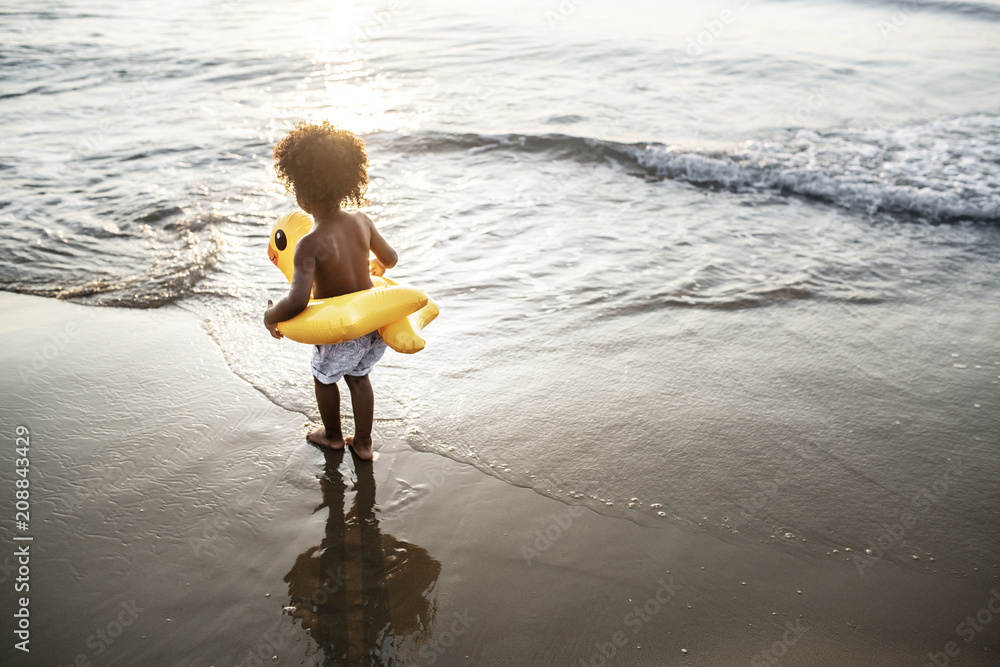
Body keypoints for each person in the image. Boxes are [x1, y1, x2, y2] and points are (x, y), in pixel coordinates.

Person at [263, 121, 398, 460]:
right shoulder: (362, 221)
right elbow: (391, 258)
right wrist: (376, 265)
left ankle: (334, 436)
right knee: (359, 378)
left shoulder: (310, 243)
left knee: (324, 379)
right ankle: (364, 444)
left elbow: (297, 300)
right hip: (372, 324)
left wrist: (270, 316)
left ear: (304, 194)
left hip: (340, 329)